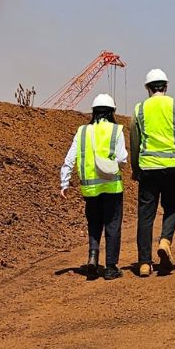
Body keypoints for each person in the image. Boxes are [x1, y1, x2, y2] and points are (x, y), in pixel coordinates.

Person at [130, 69, 175, 277]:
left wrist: (135, 169)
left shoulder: (140, 109)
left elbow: (134, 141)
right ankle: (165, 241)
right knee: (174, 207)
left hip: (148, 169)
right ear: (165, 87)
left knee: (145, 215)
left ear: (148, 89)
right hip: (173, 167)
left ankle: (143, 263)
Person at [60, 93, 128, 281]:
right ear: (112, 112)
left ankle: (93, 257)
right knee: (112, 224)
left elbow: (70, 159)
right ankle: (111, 267)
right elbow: (122, 159)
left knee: (94, 223)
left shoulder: (82, 131)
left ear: (94, 112)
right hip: (112, 186)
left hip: (90, 189)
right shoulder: (116, 130)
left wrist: (64, 183)